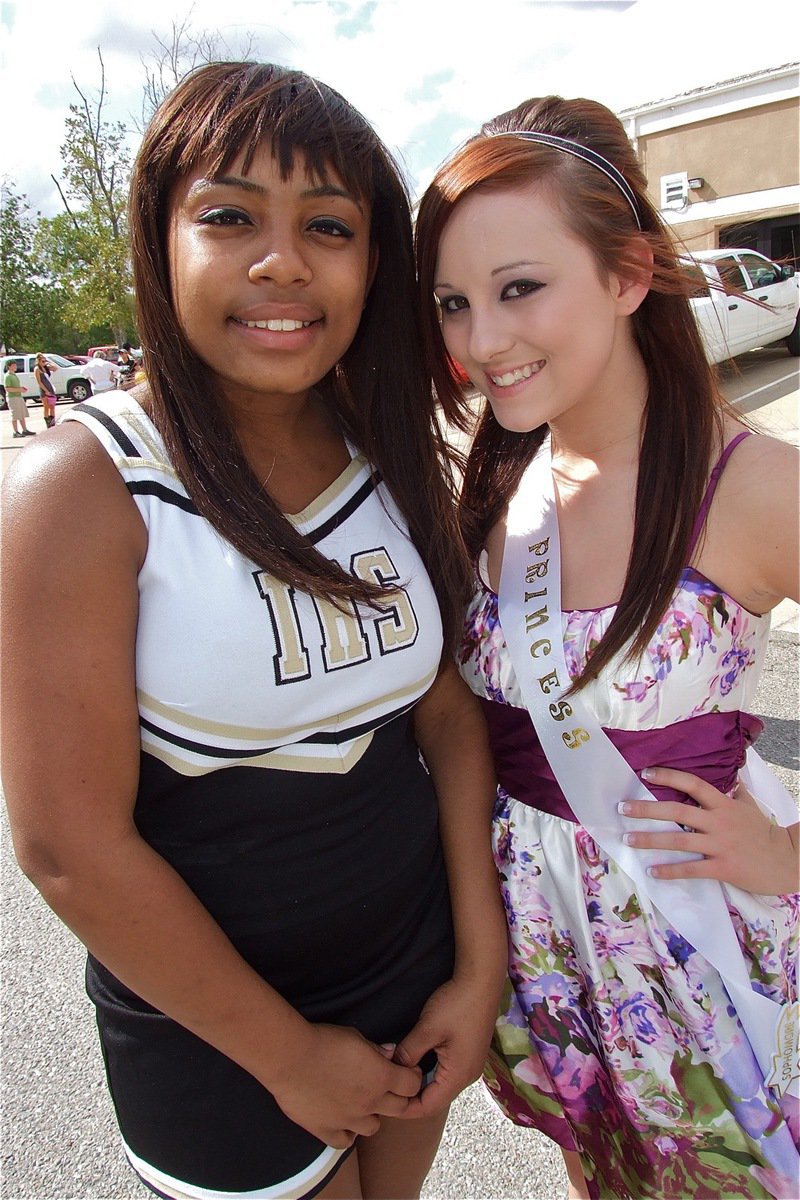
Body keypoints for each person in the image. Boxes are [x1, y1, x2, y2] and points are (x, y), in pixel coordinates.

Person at [1, 62, 506, 1200]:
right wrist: (285, 1058)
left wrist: (476, 971)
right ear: (157, 238)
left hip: (410, 974)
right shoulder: (83, 488)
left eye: (328, 225)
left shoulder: (387, 454)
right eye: (228, 216)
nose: (282, 261)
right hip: (216, 1035)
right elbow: (68, 847)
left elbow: (446, 714)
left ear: (373, 263)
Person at [415, 95, 799, 1200]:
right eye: (453, 303)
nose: (482, 342)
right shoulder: (494, 484)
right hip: (556, 973)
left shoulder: (748, 488)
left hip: (701, 963)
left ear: (628, 275)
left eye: (519, 287)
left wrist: (787, 856)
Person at [3, 359, 35, 437]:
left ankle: (24, 430)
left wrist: (21, 388)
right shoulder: (8, 376)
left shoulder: (14, 375)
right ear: (9, 366)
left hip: (18, 396)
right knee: (15, 415)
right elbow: (7, 388)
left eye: (15, 365)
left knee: (21, 414)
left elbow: (14, 386)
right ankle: (15, 432)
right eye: (13, 365)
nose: (15, 367)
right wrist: (19, 389)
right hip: (12, 398)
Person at [33, 353, 57, 426]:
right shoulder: (37, 369)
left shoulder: (46, 367)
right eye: (42, 361)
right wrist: (46, 391)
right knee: (46, 406)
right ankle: (48, 422)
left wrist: (49, 362)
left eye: (44, 361)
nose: (44, 363)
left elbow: (55, 368)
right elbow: (39, 382)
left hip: (50, 388)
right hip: (44, 390)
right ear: (38, 361)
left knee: (52, 406)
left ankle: (52, 421)